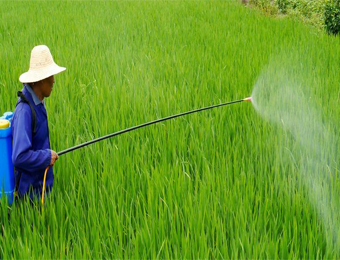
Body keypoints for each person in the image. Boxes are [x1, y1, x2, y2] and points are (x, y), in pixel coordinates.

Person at [12, 45, 66, 199]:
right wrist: (46, 157)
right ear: (40, 80)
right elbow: (19, 157)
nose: (54, 81)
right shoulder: (24, 111)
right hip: (30, 197)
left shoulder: (38, 102)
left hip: (40, 189)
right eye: (50, 77)